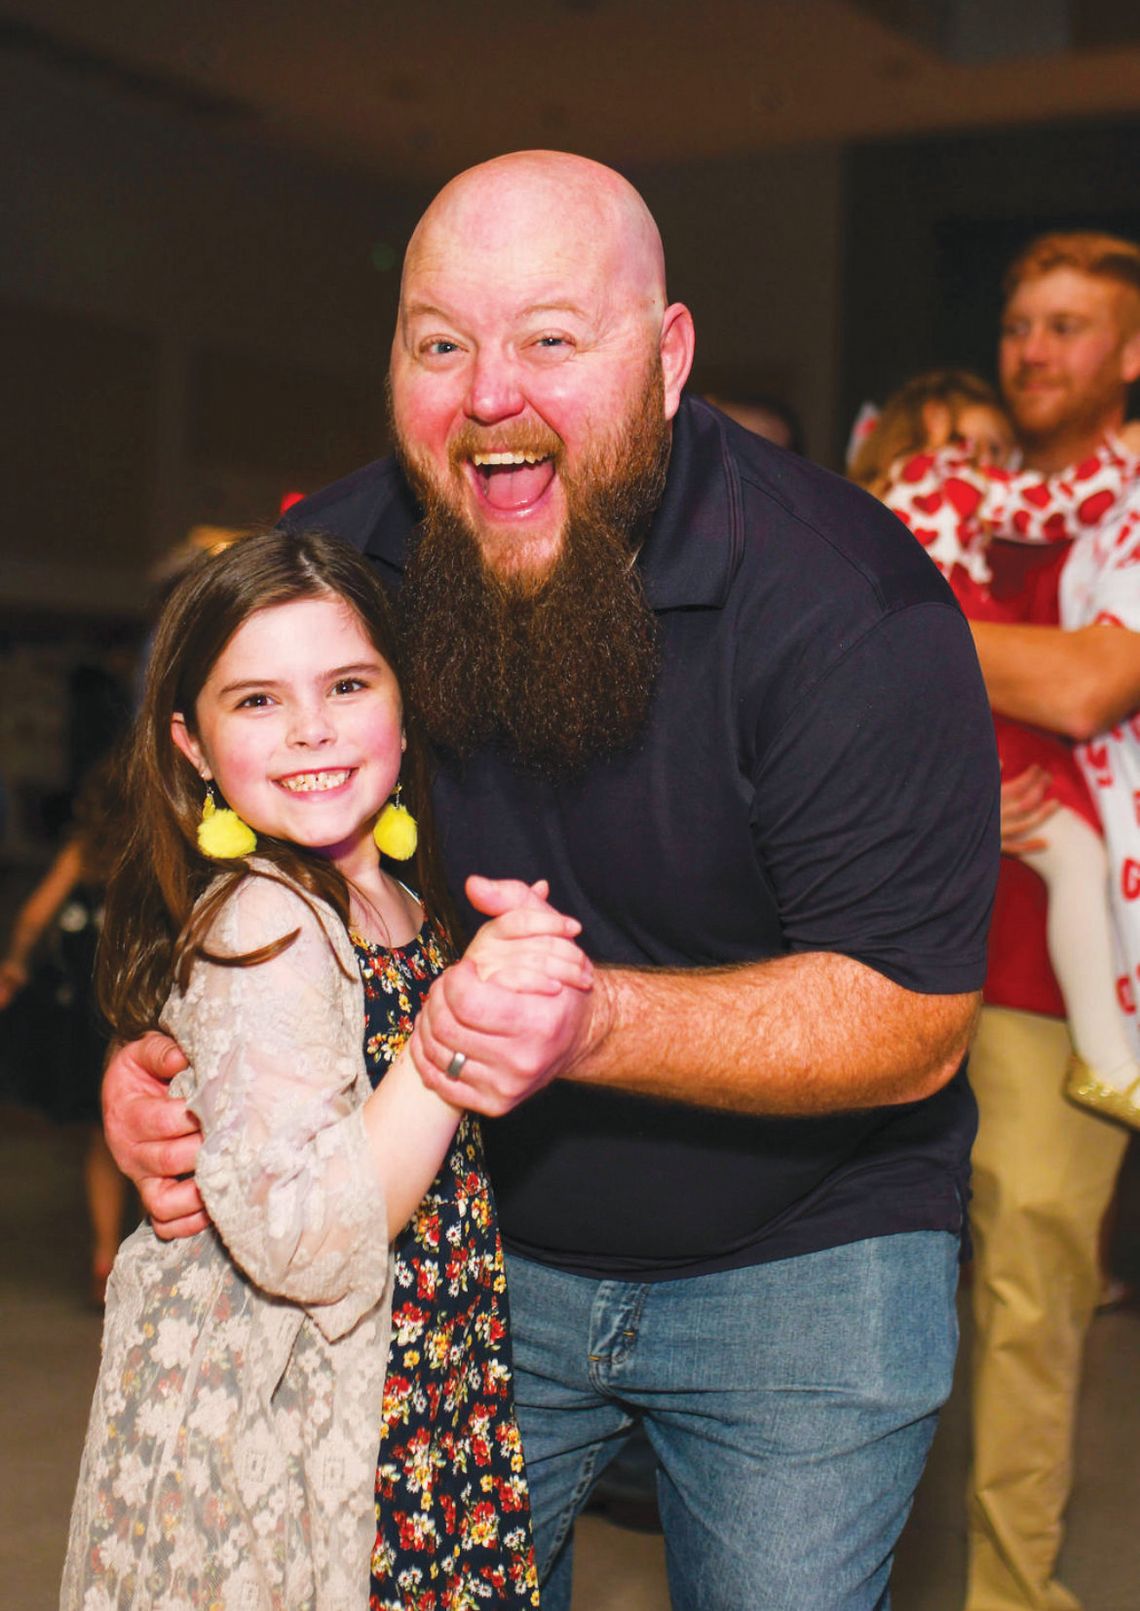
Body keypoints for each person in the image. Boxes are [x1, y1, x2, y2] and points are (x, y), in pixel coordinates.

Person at [103, 151, 1000, 1611]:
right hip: (461, 1239)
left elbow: (909, 1016)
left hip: (808, 1257)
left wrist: (584, 1023)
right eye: (440, 341)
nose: (487, 393)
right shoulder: (335, 570)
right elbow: (212, 822)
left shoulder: (849, 604)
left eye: (550, 339)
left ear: (669, 354)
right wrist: (168, 1057)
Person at [63, 529, 594, 1609]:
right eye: (255, 700)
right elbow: (305, 1238)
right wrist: (463, 1025)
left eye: (347, 683)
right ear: (191, 747)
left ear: (403, 702)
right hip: (324, 1427)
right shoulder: (267, 920)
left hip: (420, 1404)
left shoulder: (392, 899)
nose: (312, 728)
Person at [961, 231, 1140, 1611]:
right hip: (898, 937)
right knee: (870, 1301)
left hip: (1055, 973)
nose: (1036, 348)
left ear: (1129, 353)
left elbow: (1088, 685)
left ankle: (1013, 1597)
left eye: (1070, 325)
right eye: (1023, 322)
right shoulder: (952, 491)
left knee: (1027, 1306)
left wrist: (892, 623)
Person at [853, 367, 1140, 1121]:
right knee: (1079, 853)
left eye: (995, 448)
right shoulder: (944, 483)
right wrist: (1125, 453)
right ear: (918, 443)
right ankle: (1108, 1058)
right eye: (964, 441)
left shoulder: (861, 514)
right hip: (960, 699)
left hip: (917, 717)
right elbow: (1058, 504)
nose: (981, 461)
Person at [0, 753, 130, 1303]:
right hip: (143, 1009)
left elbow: (35, 915)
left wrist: (15, 961)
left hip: (89, 1014)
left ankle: (105, 1258)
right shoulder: (159, 853)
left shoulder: (86, 853)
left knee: (103, 1139)